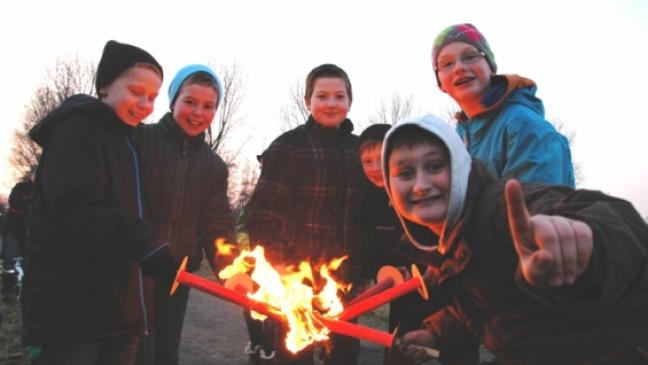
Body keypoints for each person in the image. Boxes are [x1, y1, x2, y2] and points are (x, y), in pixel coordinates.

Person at [383, 115, 648, 365]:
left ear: (461, 166)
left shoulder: (501, 208)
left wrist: (587, 243)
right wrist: (438, 334)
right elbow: (489, 302)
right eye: (405, 174)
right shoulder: (442, 241)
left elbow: (614, 221)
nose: (421, 185)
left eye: (435, 166)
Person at [22, 40, 178, 365]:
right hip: (74, 313)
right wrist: (143, 241)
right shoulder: (77, 131)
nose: (145, 104)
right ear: (105, 86)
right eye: (136, 91)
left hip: (121, 314)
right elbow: (75, 208)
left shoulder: (132, 143)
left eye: (152, 97)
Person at [244, 63, 369, 365]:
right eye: (322, 96)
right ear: (307, 101)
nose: (331, 103)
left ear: (349, 102)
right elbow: (262, 216)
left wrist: (365, 268)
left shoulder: (360, 151)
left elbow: (367, 218)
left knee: (344, 357)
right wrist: (284, 271)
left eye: (339, 96)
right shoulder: (290, 146)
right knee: (292, 357)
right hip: (296, 286)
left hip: (345, 289)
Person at [134, 64, 235, 365]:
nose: (197, 113)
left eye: (208, 106)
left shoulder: (214, 166)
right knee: (132, 352)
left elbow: (216, 225)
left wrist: (232, 270)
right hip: (131, 273)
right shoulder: (140, 140)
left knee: (166, 354)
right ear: (173, 100)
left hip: (176, 278)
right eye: (189, 102)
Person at [432, 23, 575, 187]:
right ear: (440, 83)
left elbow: (531, 206)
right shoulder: (458, 138)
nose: (459, 68)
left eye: (470, 57)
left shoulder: (524, 126)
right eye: (447, 64)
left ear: (491, 67)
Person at [1, 172, 33, 302]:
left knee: (29, 260)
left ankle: (27, 292)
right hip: (13, 229)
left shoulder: (41, 190)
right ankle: (8, 291)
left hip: (28, 231)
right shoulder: (20, 187)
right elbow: (14, 201)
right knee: (9, 259)